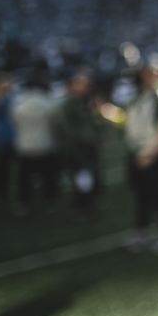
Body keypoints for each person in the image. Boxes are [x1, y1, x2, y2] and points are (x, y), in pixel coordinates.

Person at [122, 61, 158, 254]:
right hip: (135, 154)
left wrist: (151, 153)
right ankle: (141, 231)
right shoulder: (135, 99)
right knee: (140, 196)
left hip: (152, 156)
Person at [53, 69, 104, 216]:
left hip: (88, 148)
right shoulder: (69, 104)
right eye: (81, 84)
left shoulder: (85, 102)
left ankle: (87, 203)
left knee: (89, 177)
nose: (85, 87)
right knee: (82, 178)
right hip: (78, 149)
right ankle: (83, 205)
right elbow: (67, 129)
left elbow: (94, 123)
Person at [10, 72, 60, 216]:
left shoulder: (20, 103)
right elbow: (55, 122)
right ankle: (50, 200)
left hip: (25, 146)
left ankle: (23, 202)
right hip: (46, 145)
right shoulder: (49, 103)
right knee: (48, 176)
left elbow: (15, 120)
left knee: (24, 178)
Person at [0, 74, 17, 204]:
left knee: (2, 166)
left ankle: (0, 190)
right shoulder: (5, 99)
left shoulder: (0, 99)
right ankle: (2, 190)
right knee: (6, 165)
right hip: (9, 136)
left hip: (3, 136)